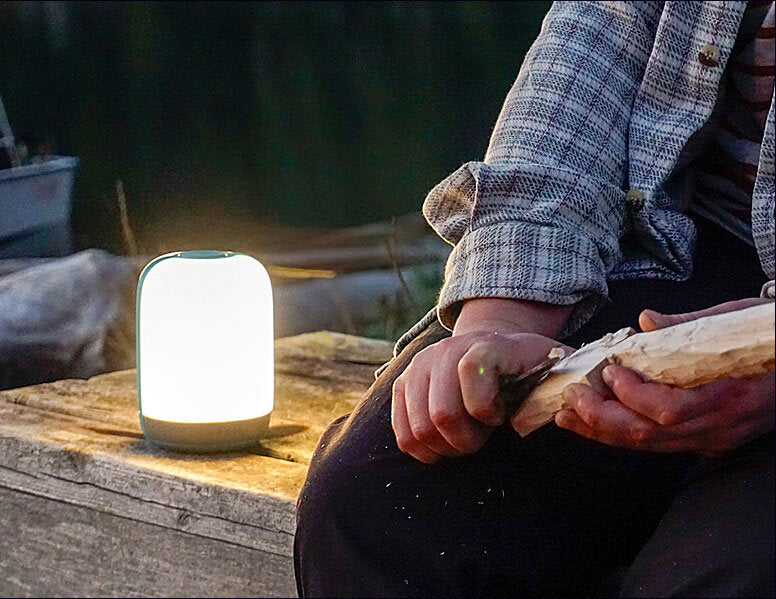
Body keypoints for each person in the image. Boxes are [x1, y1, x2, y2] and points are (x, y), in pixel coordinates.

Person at [294, 2, 775, 596]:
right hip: (674, 243)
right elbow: (581, 72)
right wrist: (499, 318)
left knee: (723, 575)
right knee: (373, 502)